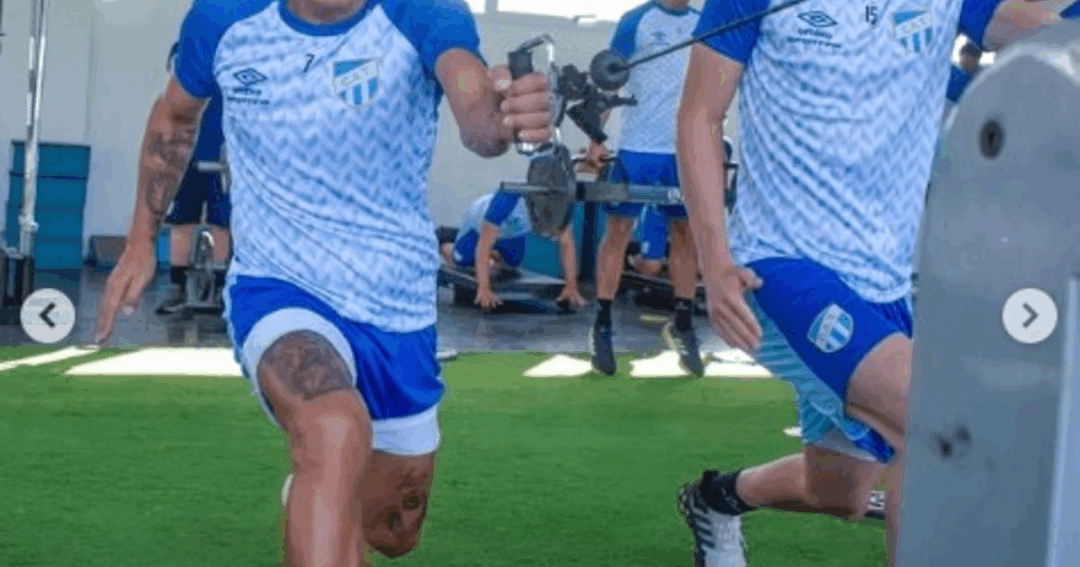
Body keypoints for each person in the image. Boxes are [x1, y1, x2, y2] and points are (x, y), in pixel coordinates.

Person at [92, 0, 552, 565]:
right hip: (279, 285)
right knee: (331, 428)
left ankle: (312, 494)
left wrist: (508, 113)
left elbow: (479, 118)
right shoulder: (224, 17)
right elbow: (175, 119)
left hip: (396, 305)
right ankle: (321, 478)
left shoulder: (424, 10)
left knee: (391, 533)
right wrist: (141, 240)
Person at [673, 1, 1067, 565]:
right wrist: (714, 259)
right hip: (779, 267)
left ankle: (716, 498)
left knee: (840, 493)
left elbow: (1043, 34)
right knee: (936, 425)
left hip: (884, 286)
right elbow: (699, 115)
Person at [579, 0, 705, 377]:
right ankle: (601, 324)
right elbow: (608, 81)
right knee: (618, 232)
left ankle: (683, 322)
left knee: (685, 233)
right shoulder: (636, 21)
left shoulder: (703, 23)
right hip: (636, 147)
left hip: (683, 150)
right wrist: (596, 140)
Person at [156, 41, 231, 315]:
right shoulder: (178, 86)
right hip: (185, 160)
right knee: (182, 221)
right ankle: (176, 287)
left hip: (220, 159)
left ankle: (221, 288)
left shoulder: (224, 81)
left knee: (221, 223)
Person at [440, 189, 588, 311]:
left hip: (512, 233)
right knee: (462, 260)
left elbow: (567, 244)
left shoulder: (558, 209)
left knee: (511, 263)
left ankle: (493, 255)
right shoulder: (507, 201)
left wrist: (571, 286)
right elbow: (483, 245)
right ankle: (446, 240)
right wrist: (483, 288)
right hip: (478, 227)